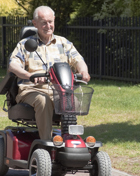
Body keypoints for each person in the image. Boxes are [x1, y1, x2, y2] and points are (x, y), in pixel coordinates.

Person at [8, 6, 90, 140]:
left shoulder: (63, 43)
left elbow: (78, 59)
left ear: (54, 20)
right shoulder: (26, 44)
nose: (48, 26)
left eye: (50, 22)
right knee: (43, 100)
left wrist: (83, 71)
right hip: (32, 90)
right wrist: (30, 76)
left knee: (72, 99)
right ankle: (46, 142)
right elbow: (13, 65)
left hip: (60, 89)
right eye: (44, 22)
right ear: (35, 24)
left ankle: (69, 138)